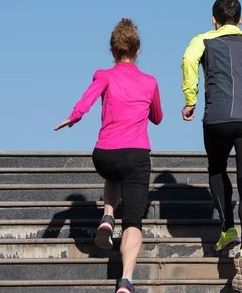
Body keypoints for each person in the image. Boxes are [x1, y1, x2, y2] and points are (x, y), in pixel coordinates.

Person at [181, 0, 242, 293]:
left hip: (218, 117)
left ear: (214, 20)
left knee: (217, 168)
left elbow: (188, 60)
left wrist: (191, 99)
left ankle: (227, 228)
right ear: (240, 20)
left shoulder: (203, 40)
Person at [54, 18, 163, 293]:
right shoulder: (149, 82)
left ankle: (107, 215)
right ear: (138, 51)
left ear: (112, 51)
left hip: (104, 154)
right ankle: (125, 280)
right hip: (136, 154)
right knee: (134, 222)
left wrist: (73, 117)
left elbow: (88, 99)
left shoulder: (104, 75)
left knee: (114, 172)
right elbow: (158, 118)